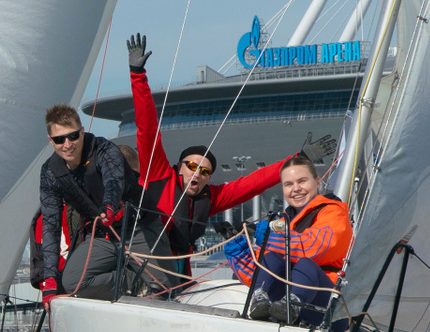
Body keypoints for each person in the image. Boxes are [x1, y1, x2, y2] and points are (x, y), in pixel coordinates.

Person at [124, 33, 319, 295]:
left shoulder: (211, 197)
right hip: (144, 264)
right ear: (179, 166)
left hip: (179, 271)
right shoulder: (158, 174)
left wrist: (297, 159)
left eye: (205, 171)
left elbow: (254, 183)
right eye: (192, 166)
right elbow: (147, 128)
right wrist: (138, 76)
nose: (197, 174)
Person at [232, 154, 353, 326]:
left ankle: (293, 303)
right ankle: (260, 301)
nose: (296, 189)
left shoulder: (333, 212)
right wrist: (240, 255)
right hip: (282, 301)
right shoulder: (282, 222)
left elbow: (314, 248)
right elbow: (261, 273)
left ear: (318, 181)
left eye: (302, 181)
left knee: (305, 264)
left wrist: (270, 237)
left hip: (327, 307)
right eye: (288, 184)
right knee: (270, 258)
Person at [38, 103, 128, 300]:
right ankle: (129, 281)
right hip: (102, 236)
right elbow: (51, 224)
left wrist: (110, 206)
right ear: (51, 141)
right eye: (59, 139)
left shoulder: (104, 149)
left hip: (137, 227)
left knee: (163, 286)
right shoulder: (50, 172)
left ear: (82, 132)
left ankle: (143, 282)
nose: (67, 144)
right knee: (72, 283)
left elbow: (113, 181)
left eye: (73, 136)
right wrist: (49, 278)